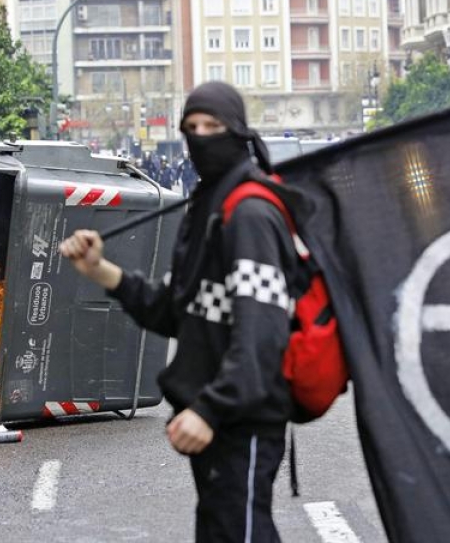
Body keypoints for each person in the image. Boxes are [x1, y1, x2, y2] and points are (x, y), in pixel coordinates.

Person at [60, 81, 303, 542]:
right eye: (191, 127)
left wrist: (209, 411)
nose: (201, 137)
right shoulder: (206, 207)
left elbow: (261, 336)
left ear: (239, 133)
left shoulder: (249, 213)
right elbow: (175, 312)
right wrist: (100, 270)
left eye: (214, 126)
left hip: (243, 419)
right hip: (211, 419)